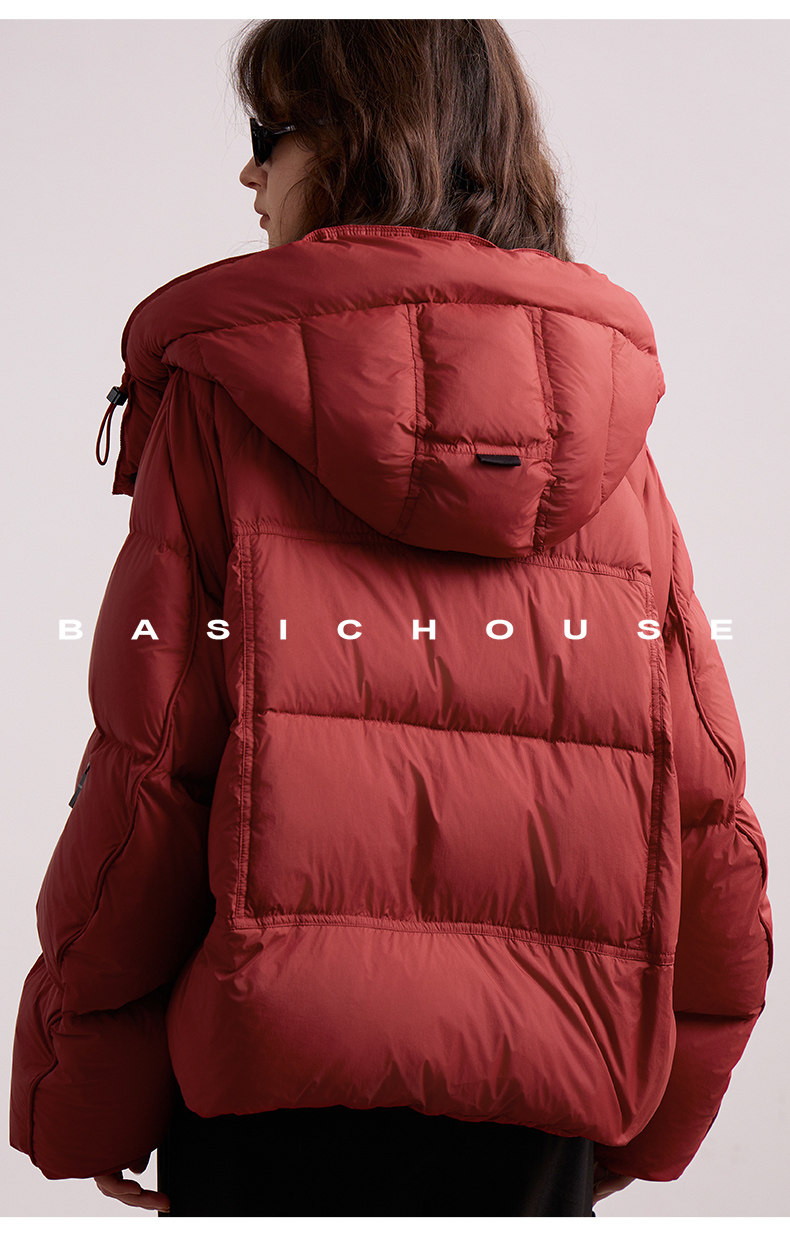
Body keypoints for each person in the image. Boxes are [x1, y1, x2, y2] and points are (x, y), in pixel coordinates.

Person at [9, 19, 772, 1219]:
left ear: (360, 141)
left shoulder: (223, 410)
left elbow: (150, 781)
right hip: (537, 1122)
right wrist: (648, 1121)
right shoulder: (611, 452)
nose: (249, 172)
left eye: (269, 133)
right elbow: (705, 810)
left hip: (268, 1114)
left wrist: (84, 1097)